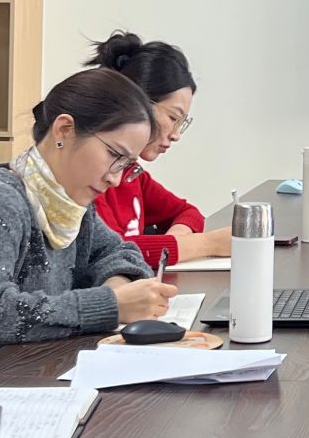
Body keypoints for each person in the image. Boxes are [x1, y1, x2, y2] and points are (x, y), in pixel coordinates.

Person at [0, 68, 177, 387]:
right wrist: (110, 305)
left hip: (13, 372)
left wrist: (117, 286)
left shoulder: (68, 203)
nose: (116, 178)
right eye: (114, 155)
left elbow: (119, 251)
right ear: (64, 130)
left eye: (127, 165)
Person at [88, 31, 229, 269]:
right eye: (173, 118)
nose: (176, 134)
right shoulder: (91, 177)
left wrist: (173, 243)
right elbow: (111, 252)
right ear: (136, 102)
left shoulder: (132, 174)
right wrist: (206, 244)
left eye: (181, 123)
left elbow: (188, 212)